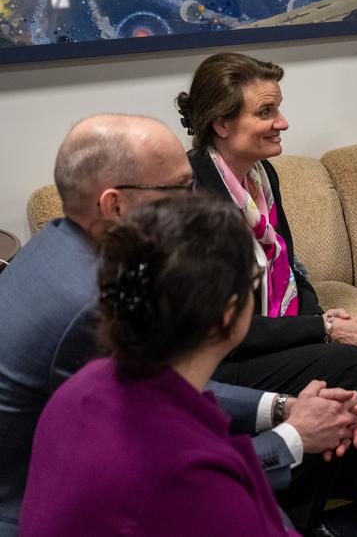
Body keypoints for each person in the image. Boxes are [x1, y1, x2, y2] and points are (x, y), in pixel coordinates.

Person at [0, 115, 357, 536]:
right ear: (114, 205)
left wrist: (282, 408)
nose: (195, 200)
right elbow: (175, 468)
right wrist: (294, 437)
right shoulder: (87, 303)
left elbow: (155, 392)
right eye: (179, 189)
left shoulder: (61, 247)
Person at [178, 53, 357, 530]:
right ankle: (293, 514)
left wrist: (331, 322)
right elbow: (224, 327)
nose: (282, 122)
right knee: (354, 363)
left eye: (278, 108)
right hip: (219, 356)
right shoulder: (193, 197)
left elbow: (292, 269)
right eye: (265, 112)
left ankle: (308, 504)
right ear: (220, 122)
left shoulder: (261, 175)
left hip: (269, 331)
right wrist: (322, 328)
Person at [20, 195, 302, 535]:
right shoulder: (192, 478)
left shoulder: (81, 387)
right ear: (228, 314)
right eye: (254, 279)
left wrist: (288, 417)